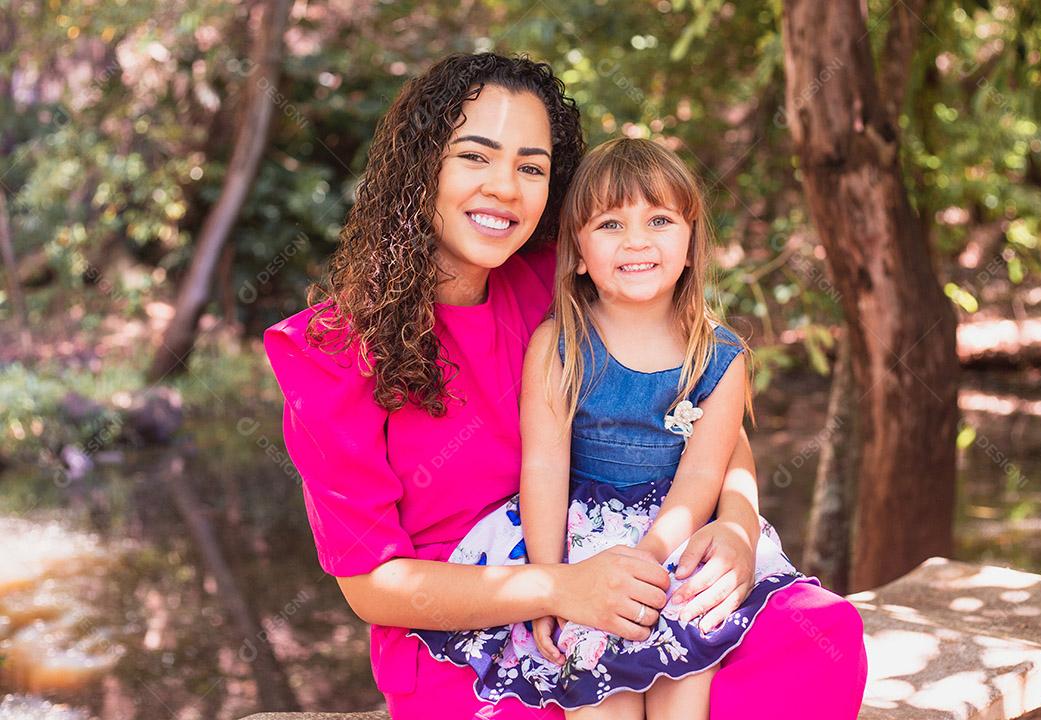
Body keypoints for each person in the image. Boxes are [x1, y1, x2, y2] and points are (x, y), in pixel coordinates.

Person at [263, 52, 867, 720]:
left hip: (625, 567)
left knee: (822, 638)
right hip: (471, 626)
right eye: (475, 156)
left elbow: (702, 410)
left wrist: (738, 526)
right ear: (421, 167)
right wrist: (557, 588)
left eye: (531, 166)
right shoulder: (331, 351)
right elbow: (373, 585)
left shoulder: (565, 277)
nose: (504, 188)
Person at [408, 138, 816, 718]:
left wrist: (651, 553)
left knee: (688, 666)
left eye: (658, 219)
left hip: (680, 534)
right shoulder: (559, 346)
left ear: (691, 244)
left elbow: (704, 471)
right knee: (595, 685)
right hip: (578, 540)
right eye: (609, 224)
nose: (636, 240)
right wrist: (551, 578)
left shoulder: (720, 357)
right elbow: (544, 466)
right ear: (576, 252)